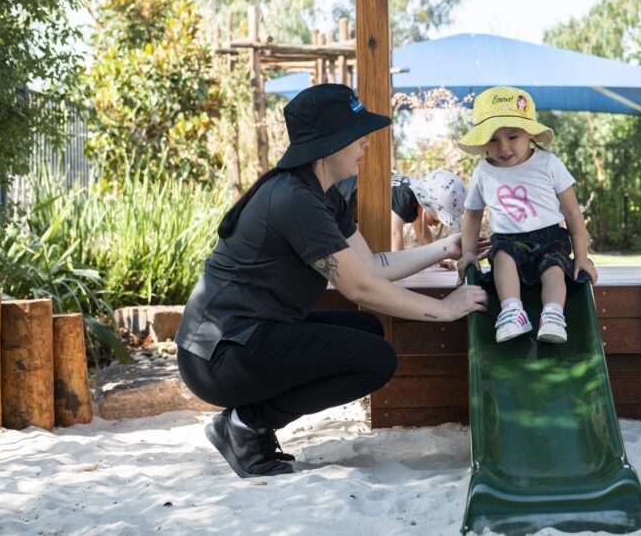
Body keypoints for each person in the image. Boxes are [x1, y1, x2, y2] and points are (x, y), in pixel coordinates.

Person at [175, 83, 487, 479]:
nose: (365, 147)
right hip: (218, 357)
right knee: (375, 359)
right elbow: (359, 288)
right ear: (330, 143)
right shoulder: (295, 200)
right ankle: (245, 424)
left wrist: (445, 247)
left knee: (368, 331)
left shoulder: (322, 194)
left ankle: (245, 423)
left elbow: (370, 267)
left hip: (245, 340)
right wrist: (445, 309)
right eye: (358, 137)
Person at [456, 86, 597, 344]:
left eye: (512, 136)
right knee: (500, 256)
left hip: (550, 237)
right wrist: (468, 251)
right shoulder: (483, 172)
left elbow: (572, 212)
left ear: (529, 134)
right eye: (493, 139)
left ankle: (553, 314)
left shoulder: (548, 163)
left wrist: (583, 257)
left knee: (554, 267)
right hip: (508, 240)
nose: (503, 147)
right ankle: (512, 312)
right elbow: (472, 215)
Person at [334, 169, 466, 249]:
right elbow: (394, 233)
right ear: (426, 203)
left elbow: (421, 229)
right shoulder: (404, 196)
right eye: (437, 218)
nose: (437, 224)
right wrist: (397, 274)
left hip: (344, 207)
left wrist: (436, 258)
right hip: (337, 198)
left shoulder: (413, 195)